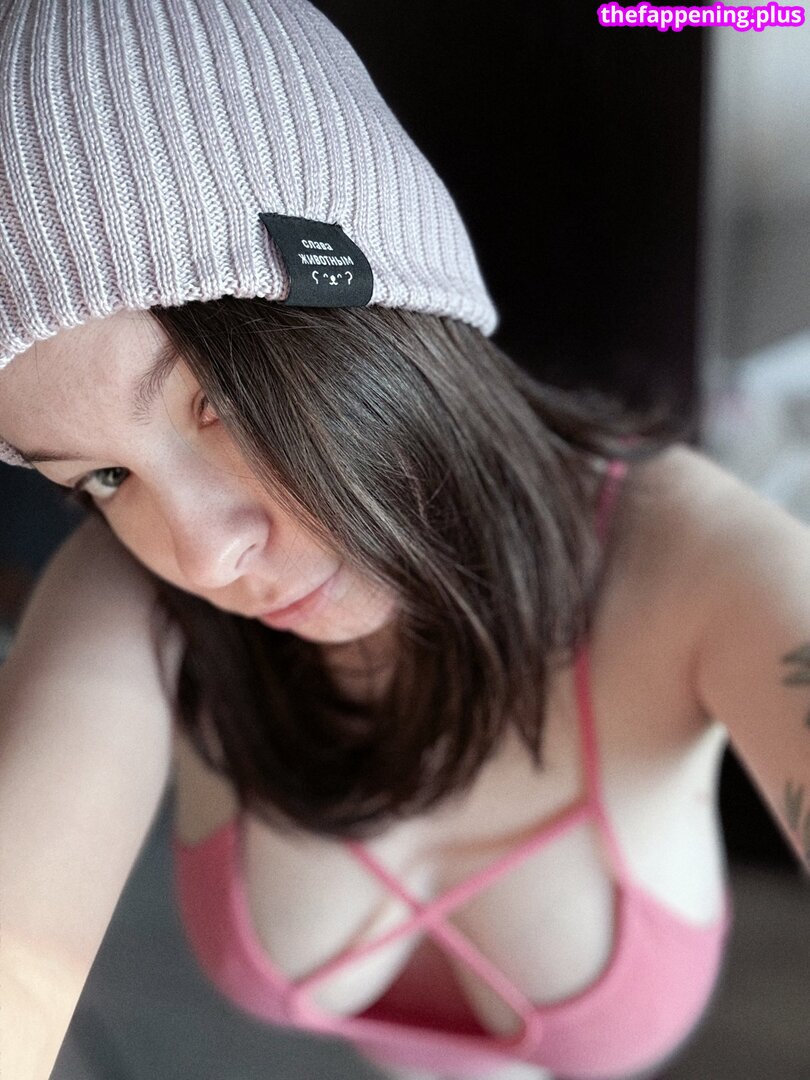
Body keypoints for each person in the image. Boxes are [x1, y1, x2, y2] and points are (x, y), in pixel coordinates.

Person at [0, 2, 807, 1080]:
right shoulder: (130, 601)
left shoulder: (696, 563)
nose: (201, 555)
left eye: (218, 405)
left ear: (376, 305)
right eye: (102, 477)